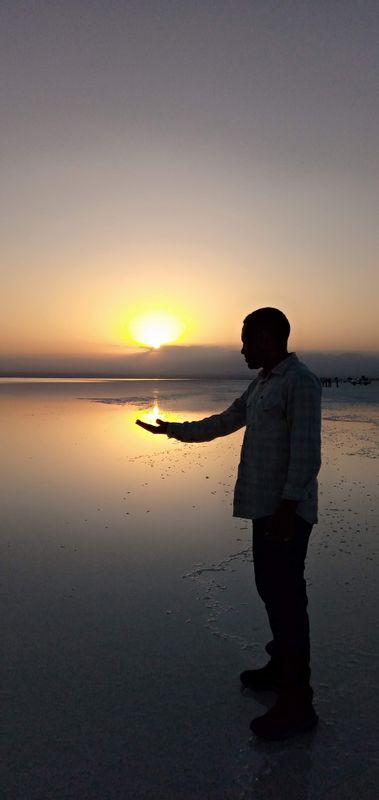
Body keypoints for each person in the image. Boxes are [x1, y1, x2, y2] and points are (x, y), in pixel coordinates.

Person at [136, 307, 322, 741]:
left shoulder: (301, 383)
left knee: (287, 599)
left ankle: (298, 701)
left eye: (247, 340)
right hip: (266, 507)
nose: (241, 349)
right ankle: (280, 668)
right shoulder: (262, 384)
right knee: (271, 591)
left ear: (269, 339)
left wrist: (288, 508)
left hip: (286, 513)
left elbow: (307, 453)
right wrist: (175, 431)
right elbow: (226, 421)